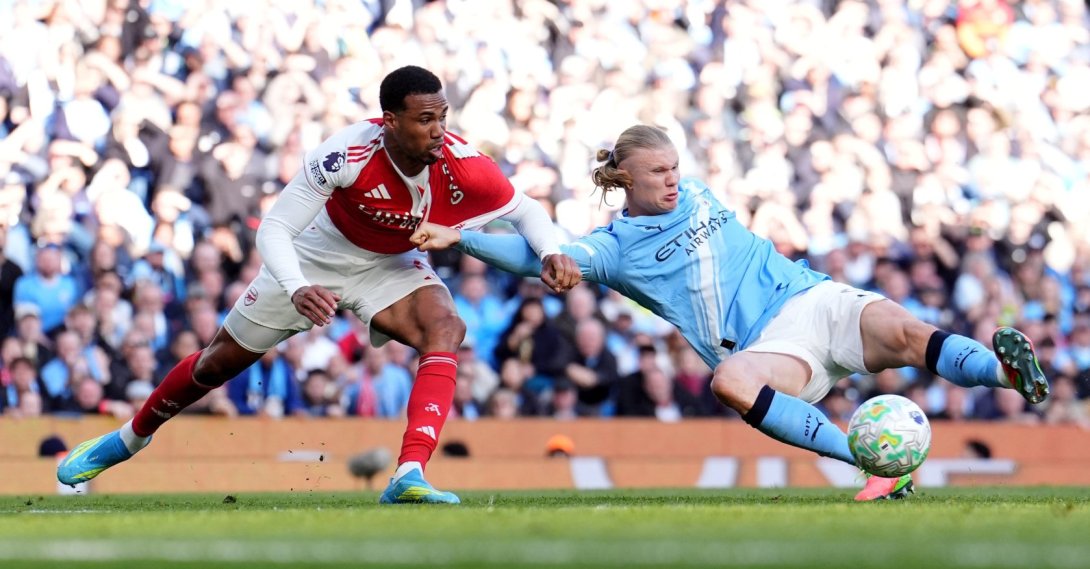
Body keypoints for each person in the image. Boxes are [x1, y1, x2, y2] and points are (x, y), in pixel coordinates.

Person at [409, 124, 1051, 501]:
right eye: (657, 172)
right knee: (730, 382)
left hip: (812, 296)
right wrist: (462, 238)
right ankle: (872, 465)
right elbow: (537, 256)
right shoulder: (613, 248)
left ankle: (1005, 374)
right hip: (768, 346)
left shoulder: (695, 191)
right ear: (626, 180)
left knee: (909, 331)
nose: (672, 179)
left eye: (674, 168)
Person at [57, 66, 581, 504]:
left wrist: (550, 250)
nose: (439, 130)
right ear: (390, 121)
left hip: (391, 265)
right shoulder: (346, 154)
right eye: (425, 120)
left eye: (442, 116)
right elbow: (275, 229)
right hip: (314, 257)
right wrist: (295, 286)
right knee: (216, 364)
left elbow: (524, 210)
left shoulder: (464, 165)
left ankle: (409, 474)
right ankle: (129, 439)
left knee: (446, 327)